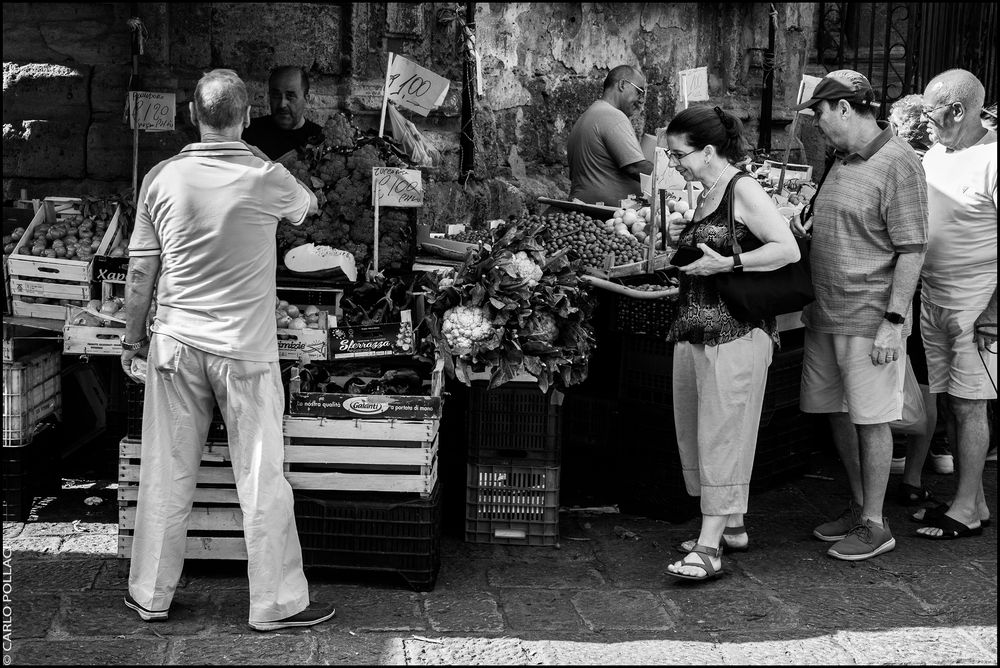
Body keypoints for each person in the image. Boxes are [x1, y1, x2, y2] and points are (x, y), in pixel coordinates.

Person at [119, 68, 334, 632]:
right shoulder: (269, 177)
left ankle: (150, 595)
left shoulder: (161, 178)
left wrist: (131, 337)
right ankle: (275, 605)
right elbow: (306, 208)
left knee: (165, 473)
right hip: (245, 351)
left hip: (175, 346)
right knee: (262, 476)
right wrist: (257, 158)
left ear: (193, 114)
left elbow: (142, 271)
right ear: (244, 116)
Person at [662, 106, 801, 582]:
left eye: (678, 153)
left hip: (736, 332)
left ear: (707, 150)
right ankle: (732, 525)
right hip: (697, 330)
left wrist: (726, 265)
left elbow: (787, 249)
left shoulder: (742, 188)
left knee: (722, 435)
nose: (673, 161)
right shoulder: (706, 193)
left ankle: (707, 547)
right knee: (699, 432)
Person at [796, 69, 928, 561]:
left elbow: (912, 249)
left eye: (821, 114)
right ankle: (858, 506)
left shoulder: (899, 162)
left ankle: (876, 522)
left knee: (872, 419)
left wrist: (894, 322)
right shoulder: (842, 158)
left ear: (845, 109)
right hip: (826, 312)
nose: (817, 125)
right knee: (834, 411)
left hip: (871, 316)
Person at [912, 69, 997, 539]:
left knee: (970, 405)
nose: (927, 121)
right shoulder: (939, 153)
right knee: (949, 399)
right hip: (935, 294)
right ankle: (974, 500)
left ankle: (965, 509)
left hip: (976, 302)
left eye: (932, 111)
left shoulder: (995, 157)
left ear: (958, 111)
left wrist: (993, 314)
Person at [886, 94, 949, 504]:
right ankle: (914, 475)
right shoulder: (942, 160)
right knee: (925, 381)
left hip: (911, 287)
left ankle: (899, 456)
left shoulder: (905, 165)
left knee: (911, 376)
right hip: (932, 283)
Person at [566, 65, 654, 206]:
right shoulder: (612, 116)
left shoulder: (588, 115)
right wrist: (675, 177)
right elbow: (635, 167)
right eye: (639, 92)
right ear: (622, 85)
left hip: (587, 207)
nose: (641, 100)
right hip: (604, 213)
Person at [242, 65, 324, 160]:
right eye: (276, 95)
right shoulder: (248, 132)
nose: (282, 104)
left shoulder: (321, 140)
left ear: (307, 99)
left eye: (290, 96)